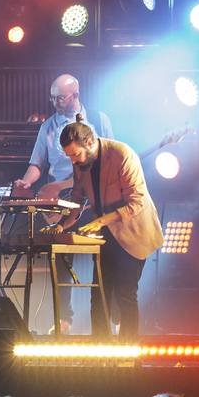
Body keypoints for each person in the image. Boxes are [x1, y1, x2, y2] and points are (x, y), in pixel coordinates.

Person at [13, 73, 113, 334]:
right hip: (60, 198)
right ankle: (64, 318)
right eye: (53, 97)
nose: (56, 102)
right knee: (60, 256)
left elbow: (110, 157)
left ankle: (106, 316)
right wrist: (26, 183)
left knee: (103, 253)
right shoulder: (47, 127)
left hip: (94, 196)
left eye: (61, 97)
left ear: (76, 95)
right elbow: (37, 164)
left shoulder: (99, 121)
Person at [49, 116, 163, 339]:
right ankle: (99, 350)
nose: (73, 161)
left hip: (134, 233)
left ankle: (128, 352)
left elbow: (137, 202)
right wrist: (60, 226)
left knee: (125, 293)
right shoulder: (81, 164)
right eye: (69, 156)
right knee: (98, 293)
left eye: (75, 155)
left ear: (90, 143)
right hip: (107, 235)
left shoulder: (122, 154)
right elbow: (77, 200)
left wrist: (100, 221)